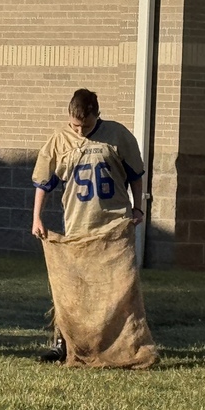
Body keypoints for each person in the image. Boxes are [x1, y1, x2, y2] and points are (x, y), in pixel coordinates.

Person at [31, 89, 158, 369]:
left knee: (120, 288)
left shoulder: (117, 135)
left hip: (114, 225)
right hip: (78, 224)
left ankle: (124, 343)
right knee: (74, 289)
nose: (81, 130)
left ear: (96, 114)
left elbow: (135, 175)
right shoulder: (59, 140)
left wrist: (138, 207)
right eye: (76, 125)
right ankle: (65, 343)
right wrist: (36, 217)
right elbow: (43, 182)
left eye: (86, 125)